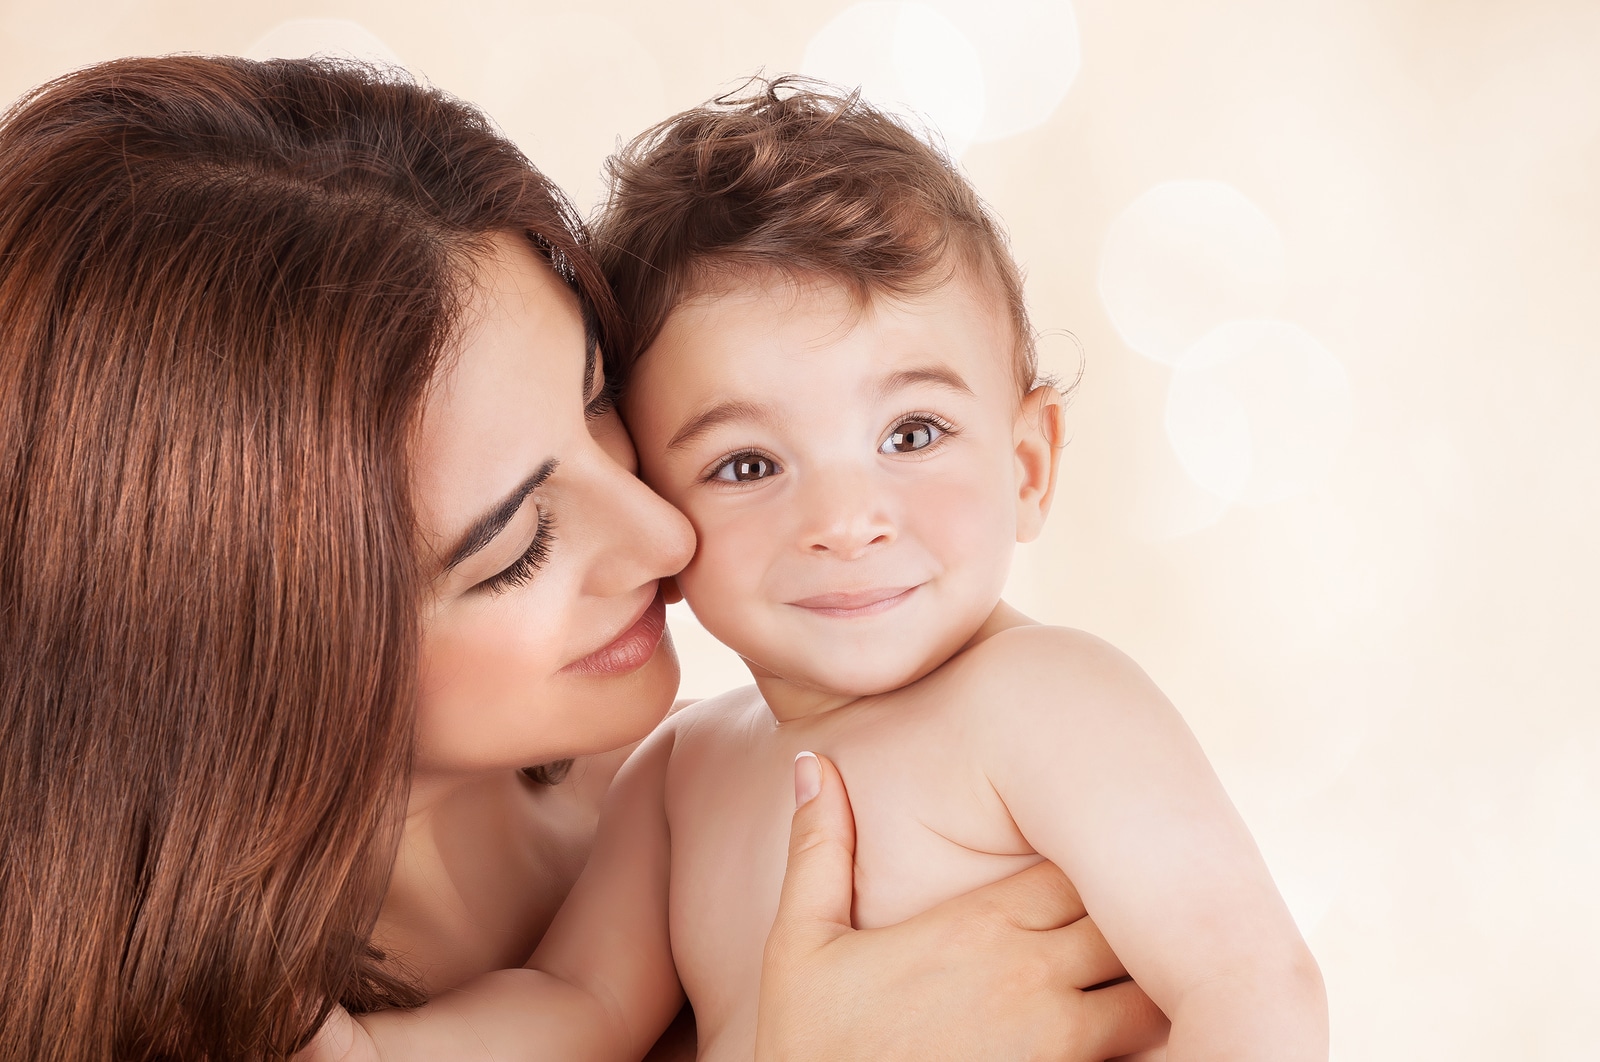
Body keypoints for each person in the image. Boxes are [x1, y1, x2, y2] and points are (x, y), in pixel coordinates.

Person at [0, 57, 1165, 1062]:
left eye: (602, 404)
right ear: (247, 662)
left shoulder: (726, 779)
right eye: (514, 548)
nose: (665, 536)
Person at [311, 82, 1327, 1061]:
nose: (845, 522)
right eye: (747, 465)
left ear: (1026, 464)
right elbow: (574, 1005)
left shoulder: (1051, 701)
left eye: (912, 432)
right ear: (661, 495)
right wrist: (370, 1050)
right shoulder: (681, 772)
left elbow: (1249, 986)